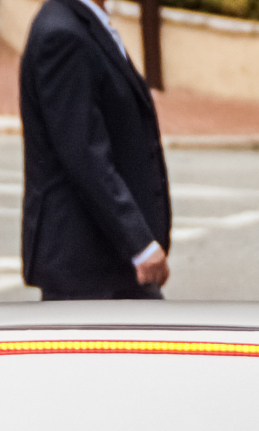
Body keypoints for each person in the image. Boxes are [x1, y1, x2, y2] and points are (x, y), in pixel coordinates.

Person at [19, 0, 172, 300]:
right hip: (88, 264)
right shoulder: (63, 34)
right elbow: (83, 153)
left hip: (107, 262)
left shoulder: (84, 23)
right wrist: (138, 244)